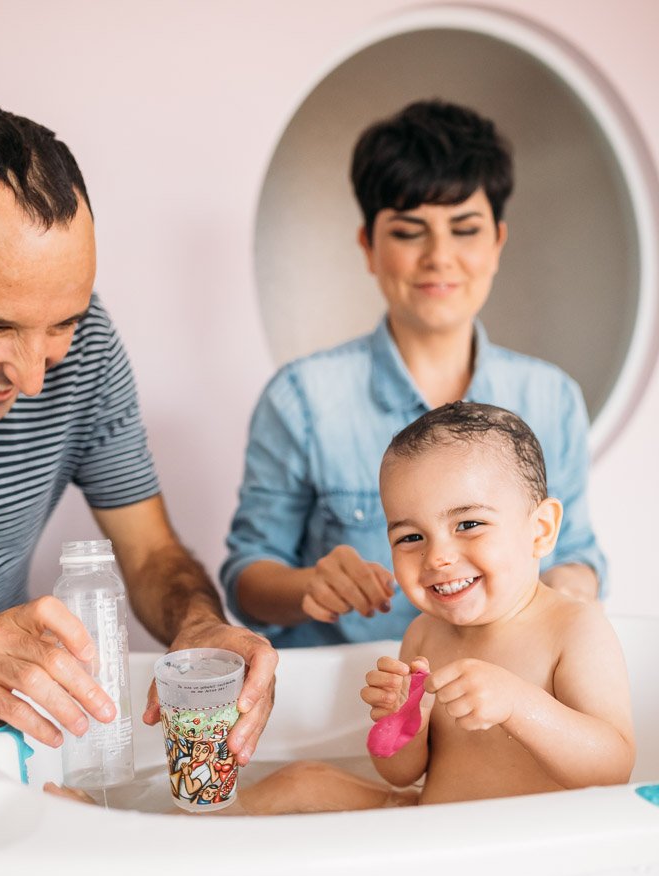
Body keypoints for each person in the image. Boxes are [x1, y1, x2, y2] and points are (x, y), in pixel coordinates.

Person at [0, 103, 276, 766]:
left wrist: (199, 625)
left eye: (60, 324)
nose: (31, 380)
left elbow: (150, 557)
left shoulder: (89, 352)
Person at [221, 99, 606, 648]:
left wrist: (567, 592)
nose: (439, 257)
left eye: (464, 229)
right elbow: (247, 577)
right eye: (408, 232)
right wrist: (311, 584)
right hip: (348, 692)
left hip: (495, 691)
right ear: (369, 246)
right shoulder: (301, 398)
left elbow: (576, 555)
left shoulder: (551, 398)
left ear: (497, 243)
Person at [235, 403, 634, 815]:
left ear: (541, 530)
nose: (437, 557)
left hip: (525, 848)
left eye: (468, 524)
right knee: (302, 782)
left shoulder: (573, 629)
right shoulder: (425, 635)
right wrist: (404, 722)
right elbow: (401, 774)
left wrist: (520, 705)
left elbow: (611, 769)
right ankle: (187, 842)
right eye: (410, 537)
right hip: (432, 839)